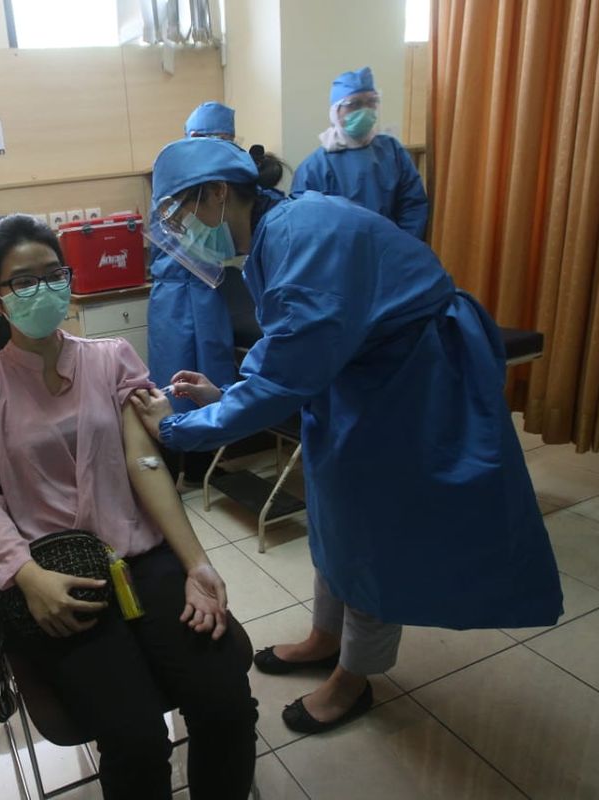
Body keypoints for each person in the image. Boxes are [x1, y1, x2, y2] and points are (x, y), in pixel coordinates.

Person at [132, 137, 562, 734]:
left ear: (218, 193)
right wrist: (222, 396)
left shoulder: (300, 236)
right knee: (334, 511)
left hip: (412, 380)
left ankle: (354, 678)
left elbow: (286, 375)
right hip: (362, 375)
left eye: (181, 214)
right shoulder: (275, 234)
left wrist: (180, 428)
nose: (181, 233)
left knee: (370, 530)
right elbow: (290, 345)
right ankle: (324, 638)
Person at [0, 214, 257, 799]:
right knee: (136, 738)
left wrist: (196, 564)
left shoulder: (111, 357)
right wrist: (26, 574)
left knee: (225, 706)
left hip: (141, 557)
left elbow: (148, 465)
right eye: (22, 281)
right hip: (57, 576)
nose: (43, 290)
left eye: (52, 274)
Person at [148, 102, 284, 487]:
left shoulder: (277, 238)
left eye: (224, 144)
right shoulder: (175, 191)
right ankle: (171, 466)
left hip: (210, 292)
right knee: (174, 382)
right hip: (173, 296)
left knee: (211, 371)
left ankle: (202, 465)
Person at [292, 66, 429, 240]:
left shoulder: (392, 152)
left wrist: (402, 248)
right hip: (338, 258)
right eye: (354, 104)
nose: (365, 110)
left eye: (371, 102)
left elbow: (413, 205)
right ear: (336, 111)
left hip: (392, 253)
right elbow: (306, 226)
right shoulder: (314, 167)